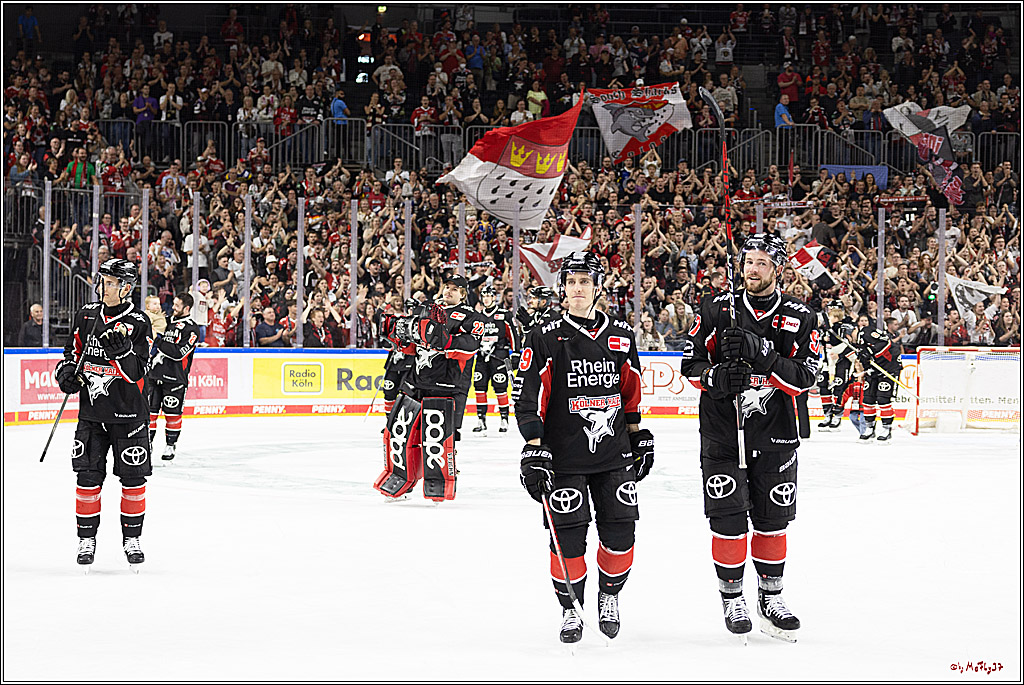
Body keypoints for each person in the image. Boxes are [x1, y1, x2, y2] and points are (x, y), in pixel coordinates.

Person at [679, 233, 818, 643]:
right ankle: (733, 597)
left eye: (761, 262)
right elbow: (690, 364)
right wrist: (717, 376)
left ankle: (770, 597)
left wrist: (765, 356)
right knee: (728, 519)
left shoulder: (801, 315)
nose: (751, 269)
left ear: (778, 269)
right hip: (722, 432)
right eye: (748, 261)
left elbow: (807, 377)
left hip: (776, 434)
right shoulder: (716, 307)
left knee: (772, 521)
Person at [512, 251, 652, 643]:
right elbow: (529, 396)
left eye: (585, 282)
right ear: (563, 288)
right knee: (568, 538)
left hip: (614, 455)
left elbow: (630, 392)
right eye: (571, 282)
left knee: (621, 533)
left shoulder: (621, 336)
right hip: (564, 457)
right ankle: (571, 608)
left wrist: (639, 435)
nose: (577, 289)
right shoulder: (544, 337)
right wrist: (534, 447)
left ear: (598, 287)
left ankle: (609, 596)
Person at [54, 259, 153, 570]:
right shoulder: (86, 314)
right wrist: (66, 372)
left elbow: (138, 372)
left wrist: (121, 352)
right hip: (92, 415)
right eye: (103, 281)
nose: (103, 286)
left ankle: (132, 539)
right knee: (87, 478)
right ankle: (86, 539)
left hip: (129, 416)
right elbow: (71, 352)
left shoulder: (138, 321)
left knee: (133, 480)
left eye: (110, 282)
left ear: (125, 287)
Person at [373, 274, 480, 502]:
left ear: (464, 293)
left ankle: (439, 482)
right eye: (447, 287)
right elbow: (413, 345)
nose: (449, 291)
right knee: (399, 433)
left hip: (447, 386)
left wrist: (444, 339)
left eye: (455, 288)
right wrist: (396, 333)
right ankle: (402, 480)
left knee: (437, 439)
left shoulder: (471, 317)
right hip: (416, 381)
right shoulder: (429, 310)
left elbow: (470, 347)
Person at [147, 293, 200, 461]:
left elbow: (178, 354)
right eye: (174, 304)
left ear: (186, 308)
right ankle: (146, 444)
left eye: (177, 306)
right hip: (153, 375)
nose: (173, 308)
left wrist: (159, 341)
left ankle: (170, 444)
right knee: (149, 413)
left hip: (175, 379)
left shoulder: (192, 329)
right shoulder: (165, 322)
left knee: (173, 414)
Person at [471, 285, 519, 434]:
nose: (486, 298)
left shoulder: (504, 314)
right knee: (479, 385)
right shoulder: (477, 316)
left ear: (494, 297)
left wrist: (516, 354)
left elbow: (514, 334)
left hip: (499, 356)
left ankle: (504, 419)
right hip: (481, 356)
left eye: (489, 295)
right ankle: (481, 419)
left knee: (500, 387)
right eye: (483, 296)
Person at [856, 318, 903, 442]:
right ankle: (869, 429)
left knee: (883, 399)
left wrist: (872, 353)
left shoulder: (869, 332)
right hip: (874, 371)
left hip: (889, 369)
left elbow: (886, 344)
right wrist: (866, 367)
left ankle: (886, 429)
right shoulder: (859, 339)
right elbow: (863, 358)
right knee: (868, 398)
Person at [817, 302, 857, 430]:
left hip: (841, 361)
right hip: (827, 361)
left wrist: (840, 354)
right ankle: (827, 414)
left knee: (839, 387)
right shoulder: (825, 327)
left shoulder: (847, 325)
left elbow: (850, 344)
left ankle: (837, 415)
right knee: (823, 385)